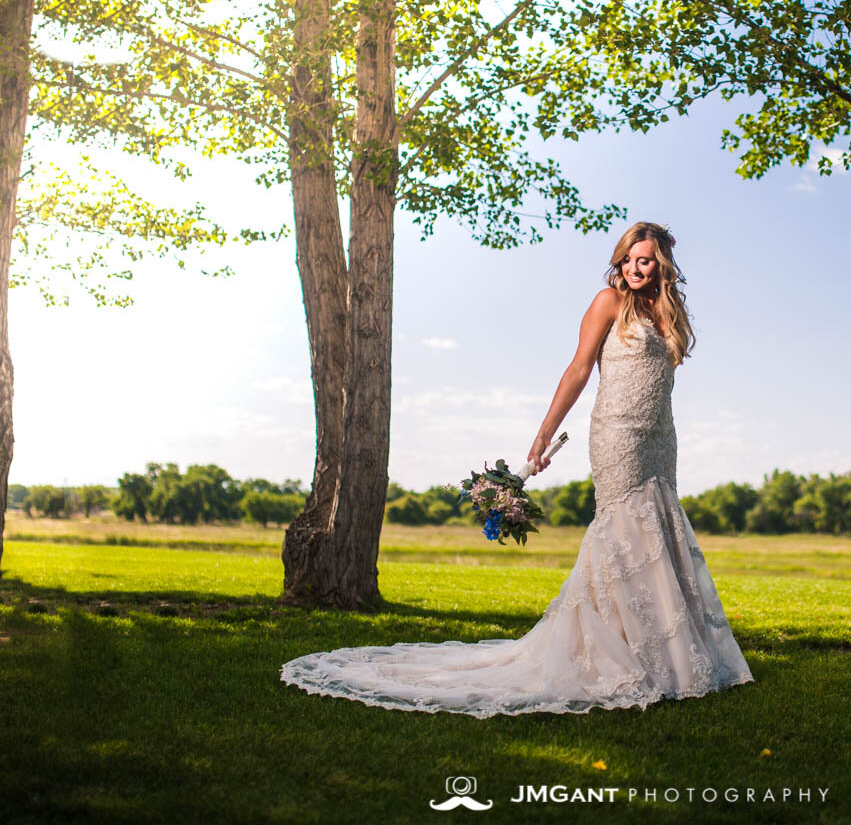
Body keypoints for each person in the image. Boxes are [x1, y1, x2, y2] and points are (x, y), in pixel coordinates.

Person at [278, 221, 754, 717]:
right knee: (625, 531)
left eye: (647, 260)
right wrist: (544, 434)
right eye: (630, 259)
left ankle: (664, 653)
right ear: (621, 261)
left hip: (660, 437)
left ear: (663, 265)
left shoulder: (668, 312)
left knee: (657, 527)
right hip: (618, 433)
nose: (636, 268)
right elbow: (577, 369)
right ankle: (625, 652)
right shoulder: (607, 302)